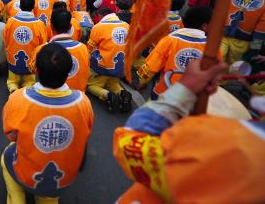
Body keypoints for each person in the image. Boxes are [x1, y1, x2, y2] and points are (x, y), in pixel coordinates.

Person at [113, 59, 265, 203]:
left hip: (169, 94)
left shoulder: (230, 144)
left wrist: (184, 89)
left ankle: (106, 94)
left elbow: (130, 143)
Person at [1, 43, 94, 204]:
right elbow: (85, 134)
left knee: (7, 155)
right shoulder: (83, 102)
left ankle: (17, 198)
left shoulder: (19, 98)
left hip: (27, 175)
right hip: (62, 179)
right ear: (68, 73)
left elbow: (11, 136)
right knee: (48, 197)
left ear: (35, 70)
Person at [136, 6, 212, 100]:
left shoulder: (169, 40)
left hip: (166, 91)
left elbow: (150, 67)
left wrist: (141, 82)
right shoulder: (212, 47)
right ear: (204, 26)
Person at [33, 10, 89, 92]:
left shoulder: (41, 50)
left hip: (48, 99)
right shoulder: (83, 48)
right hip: (77, 97)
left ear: (51, 26)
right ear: (70, 26)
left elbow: (34, 71)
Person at [87, 7, 131, 112]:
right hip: (120, 66)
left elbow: (90, 49)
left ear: (100, 16)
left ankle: (107, 95)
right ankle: (123, 93)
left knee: (90, 85)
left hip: (102, 67)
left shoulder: (98, 27)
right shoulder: (127, 25)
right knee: (113, 84)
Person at [221, 0, 265, 65]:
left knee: (233, 70)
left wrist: (254, 51)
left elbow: (261, 28)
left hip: (243, 42)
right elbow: (220, 9)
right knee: (216, 63)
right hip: (222, 35)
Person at [4, 0, 47, 93]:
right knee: (30, 82)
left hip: (13, 59)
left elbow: (5, 39)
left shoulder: (11, 21)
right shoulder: (39, 24)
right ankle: (25, 90)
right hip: (30, 62)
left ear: (20, 6)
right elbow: (43, 45)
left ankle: (13, 87)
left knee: (12, 80)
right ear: (33, 7)